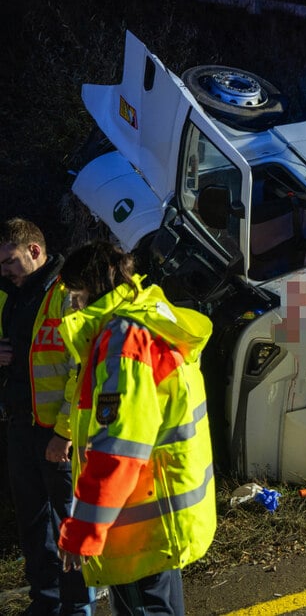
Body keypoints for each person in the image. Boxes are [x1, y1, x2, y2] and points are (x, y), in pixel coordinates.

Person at [55, 240, 216, 615]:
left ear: (92, 289)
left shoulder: (122, 341)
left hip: (138, 528)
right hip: (153, 515)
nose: (74, 306)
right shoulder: (145, 319)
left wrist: (83, 532)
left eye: (76, 296)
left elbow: (119, 447)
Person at [0, 218, 95, 615]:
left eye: (10, 261)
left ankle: (77, 605)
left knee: (67, 523)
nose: (4, 271)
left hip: (56, 432)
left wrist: (65, 432)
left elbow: (82, 369)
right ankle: (47, 600)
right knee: (33, 521)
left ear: (35, 251)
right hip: (20, 424)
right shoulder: (15, 293)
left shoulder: (66, 294)